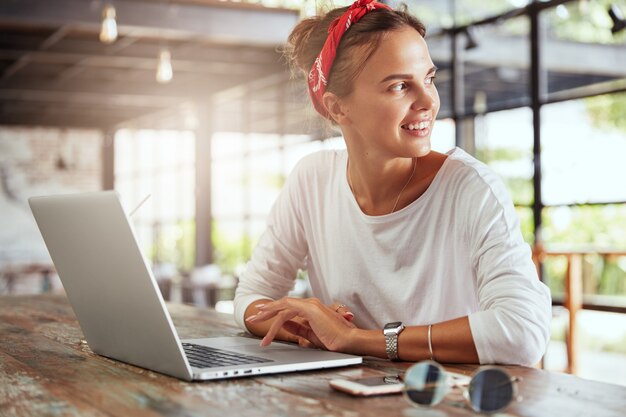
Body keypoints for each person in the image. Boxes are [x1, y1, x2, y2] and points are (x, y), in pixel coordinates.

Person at [233, 0, 551, 366]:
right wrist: (303, 325)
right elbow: (253, 296)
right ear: (338, 108)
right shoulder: (312, 180)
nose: (428, 101)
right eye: (400, 86)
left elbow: (523, 331)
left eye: (428, 78)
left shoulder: (471, 188)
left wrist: (356, 339)